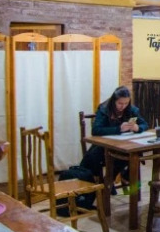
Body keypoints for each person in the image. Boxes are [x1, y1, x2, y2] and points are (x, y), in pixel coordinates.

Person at [58, 86, 148, 215]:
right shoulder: (104, 109)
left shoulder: (131, 110)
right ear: (114, 100)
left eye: (126, 103)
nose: (123, 106)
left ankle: (107, 183)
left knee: (128, 155)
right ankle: (94, 191)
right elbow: (96, 130)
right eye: (120, 103)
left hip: (123, 146)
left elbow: (145, 124)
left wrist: (137, 127)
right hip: (102, 147)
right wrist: (118, 129)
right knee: (91, 161)